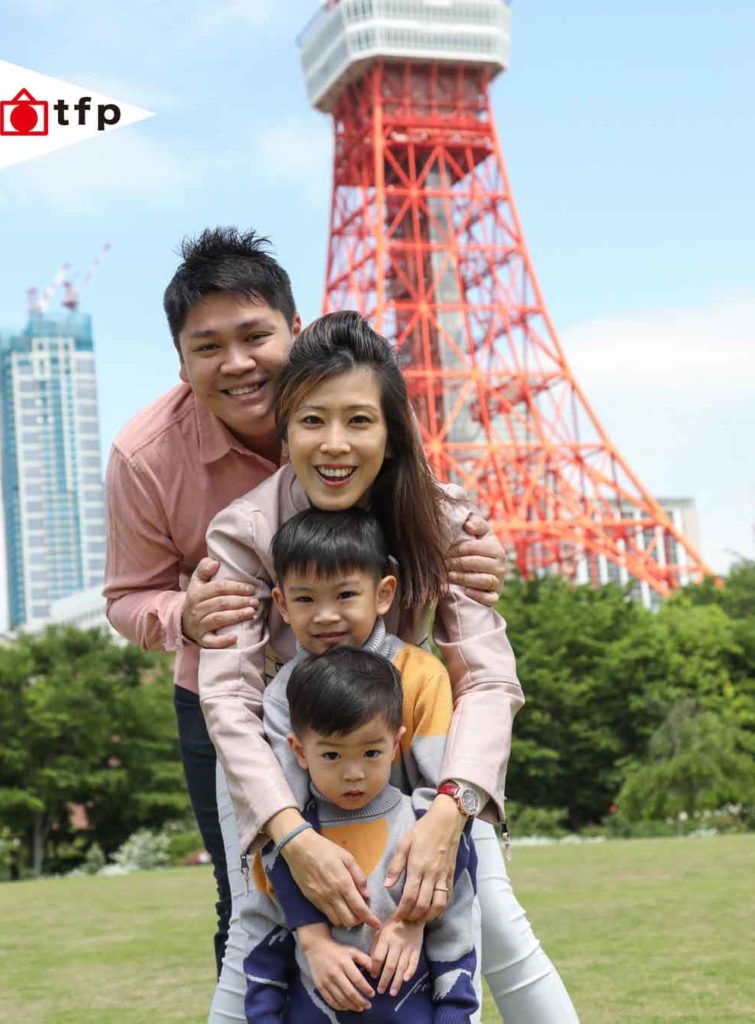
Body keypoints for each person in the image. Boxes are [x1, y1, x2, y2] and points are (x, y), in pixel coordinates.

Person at [103, 228, 506, 981]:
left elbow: (431, 514)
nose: (237, 363)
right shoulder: (146, 457)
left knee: (459, 902)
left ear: (296, 330)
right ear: (181, 361)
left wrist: (475, 550)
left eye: (256, 336)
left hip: (385, 698)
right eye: (207, 347)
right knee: (253, 914)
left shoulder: (356, 411)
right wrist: (178, 617)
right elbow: (128, 597)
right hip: (238, 700)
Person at [201, 311, 579, 1022]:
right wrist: (292, 834)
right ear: (283, 432)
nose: (334, 445)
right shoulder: (246, 532)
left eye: (359, 421)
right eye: (312, 420)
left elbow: (489, 678)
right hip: (280, 754)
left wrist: (450, 809)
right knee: (257, 925)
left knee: (488, 913)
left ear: (392, 430)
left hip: (412, 738)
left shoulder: (441, 520)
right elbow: (229, 703)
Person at [243, 646, 479, 1023]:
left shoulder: (428, 833)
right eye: (333, 756)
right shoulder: (288, 848)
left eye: (370, 752)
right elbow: (263, 943)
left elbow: (456, 936)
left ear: (395, 744)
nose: (353, 773)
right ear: (300, 752)